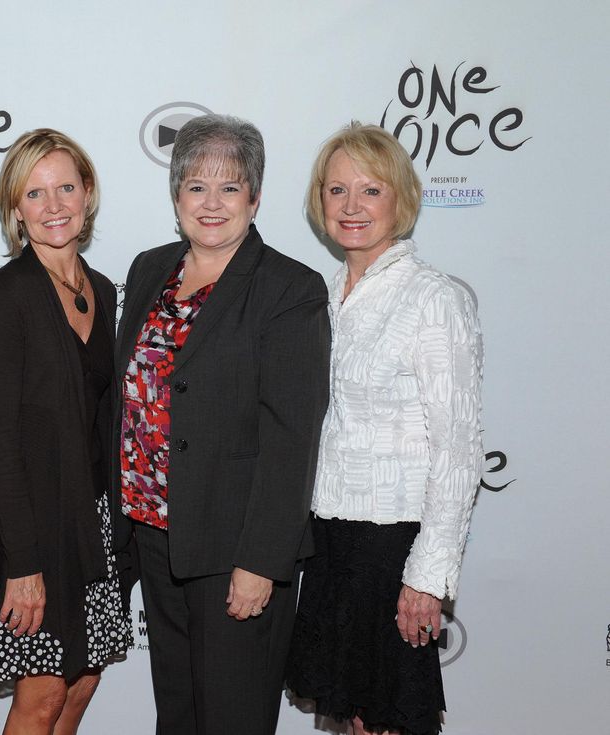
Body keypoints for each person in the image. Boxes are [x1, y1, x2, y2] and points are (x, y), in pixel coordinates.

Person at [116, 113, 331, 734]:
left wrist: (261, 562)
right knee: (177, 716)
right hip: (156, 537)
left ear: (255, 197)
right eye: (196, 187)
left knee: (232, 720)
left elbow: (291, 438)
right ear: (176, 194)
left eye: (230, 188)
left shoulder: (290, 289)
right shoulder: (149, 268)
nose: (212, 204)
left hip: (235, 549)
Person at [285, 122, 484, 735]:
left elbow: (458, 448)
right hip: (332, 536)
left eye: (370, 191)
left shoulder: (434, 298)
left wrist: (427, 575)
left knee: (391, 719)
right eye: (337, 190)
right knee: (352, 719)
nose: (351, 207)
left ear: (401, 197)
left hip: (396, 542)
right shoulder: (320, 296)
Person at [0, 128, 133, 734]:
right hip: (31, 532)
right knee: (40, 698)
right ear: (16, 209)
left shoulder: (105, 290)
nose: (54, 204)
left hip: (94, 525)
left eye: (66, 187)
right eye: (35, 193)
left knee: (81, 687)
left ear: (87, 194)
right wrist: (24, 562)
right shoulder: (3, 299)